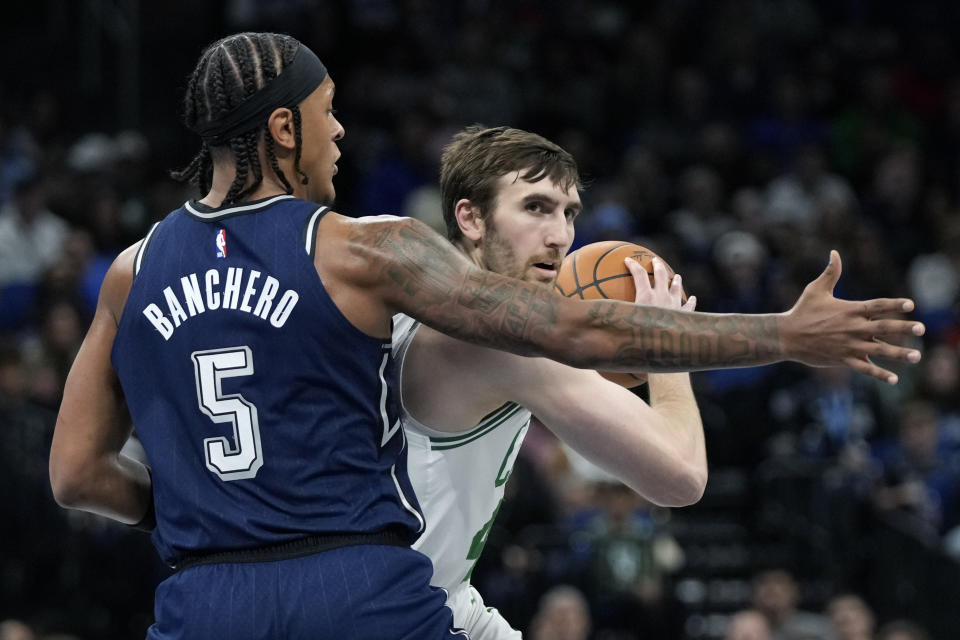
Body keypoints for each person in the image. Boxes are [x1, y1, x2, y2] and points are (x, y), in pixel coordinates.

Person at [48, 32, 923, 639]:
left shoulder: (130, 272)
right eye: (327, 112)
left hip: (202, 596)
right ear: (284, 128)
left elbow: (75, 473)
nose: (341, 131)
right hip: (357, 585)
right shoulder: (361, 249)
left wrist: (197, 512)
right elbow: (578, 332)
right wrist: (784, 334)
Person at [396, 125, 701, 639]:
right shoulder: (499, 342)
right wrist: (668, 347)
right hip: (401, 612)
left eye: (569, 213)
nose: (560, 235)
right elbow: (681, 477)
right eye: (535, 208)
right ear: (469, 217)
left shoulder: (408, 287)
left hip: (443, 594)